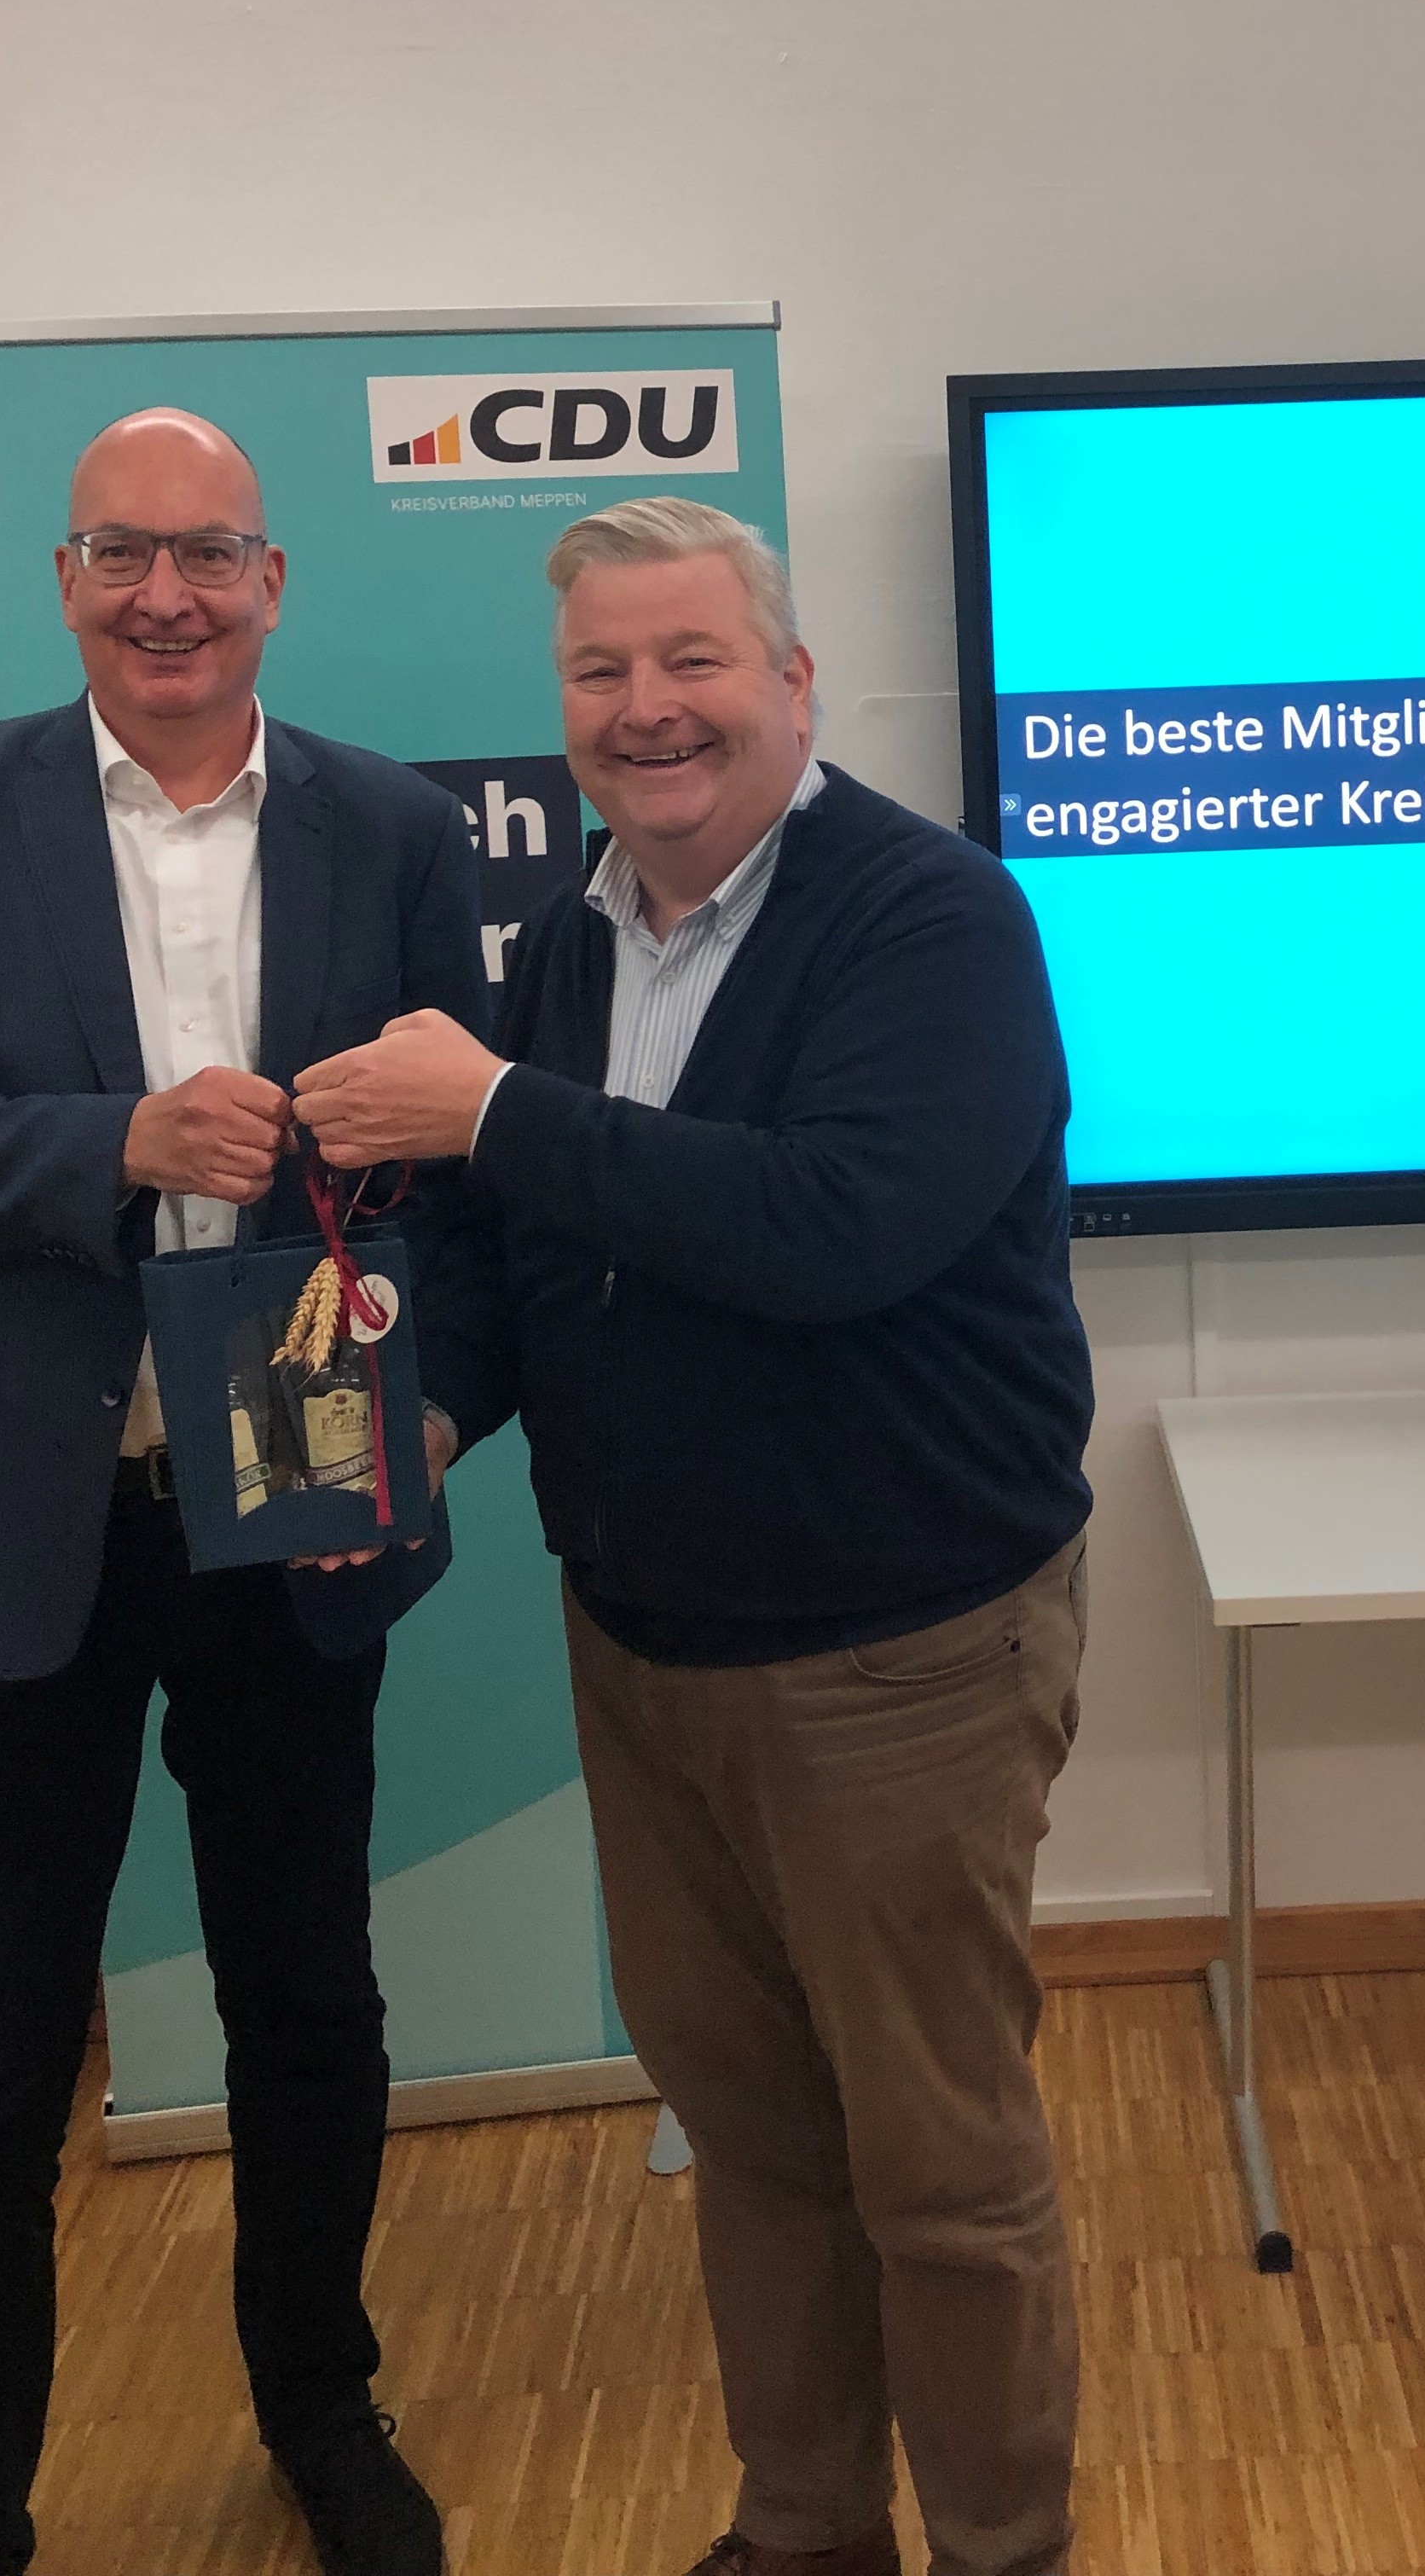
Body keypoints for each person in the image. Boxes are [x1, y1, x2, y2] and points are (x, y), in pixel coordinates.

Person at [293, 496, 1096, 2576]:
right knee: (750, 2134)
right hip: (645, 1643)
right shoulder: (576, 943)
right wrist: (424, 1416)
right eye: (601, 672)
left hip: (899, 1653)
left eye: (691, 661)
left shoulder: (934, 921)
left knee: (938, 2166)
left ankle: (1001, 2550)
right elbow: (528, 1252)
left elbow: (833, 1228)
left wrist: (490, 1108)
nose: (646, 709)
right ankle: (806, 2529)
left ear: (794, 683)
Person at [0, 409, 485, 2576]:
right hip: (29, 1507)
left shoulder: (390, 824)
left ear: (273, 580)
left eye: (204, 555)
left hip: (293, 1488)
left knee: (310, 2002)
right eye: (121, 554)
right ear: (67, 578)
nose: (163, 596)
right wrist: (113, 1142)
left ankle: (324, 2411)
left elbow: (469, 1161)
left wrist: (431, 1414)